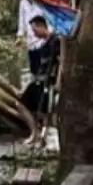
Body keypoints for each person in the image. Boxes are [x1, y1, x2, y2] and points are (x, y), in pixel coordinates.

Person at [20, 15, 62, 146]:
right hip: (39, 80)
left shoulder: (55, 41)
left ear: (41, 26)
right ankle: (36, 134)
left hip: (47, 82)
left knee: (45, 112)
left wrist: (58, 82)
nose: (34, 33)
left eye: (35, 30)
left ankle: (42, 137)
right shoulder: (44, 44)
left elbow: (61, 63)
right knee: (22, 104)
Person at [17, 0, 46, 75]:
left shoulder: (41, 0)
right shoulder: (23, 2)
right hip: (30, 40)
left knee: (43, 65)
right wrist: (20, 36)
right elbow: (21, 20)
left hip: (42, 39)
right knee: (33, 66)